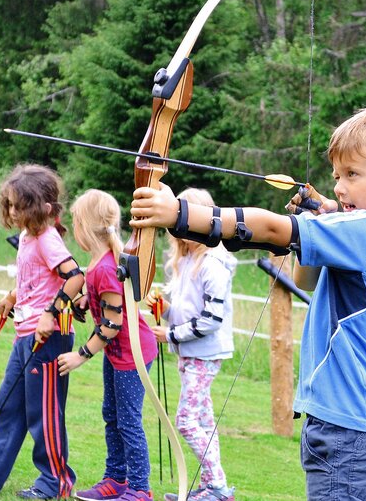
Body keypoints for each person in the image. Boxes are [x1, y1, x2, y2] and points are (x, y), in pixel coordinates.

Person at [129, 104, 366, 501]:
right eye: (336, 176)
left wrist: (180, 215)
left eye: (353, 174)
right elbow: (305, 278)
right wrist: (321, 220)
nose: (339, 188)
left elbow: (272, 229)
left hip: (349, 433)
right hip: (361, 428)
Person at [0, 164, 83, 500]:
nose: (12, 212)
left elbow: (75, 277)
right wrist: (12, 296)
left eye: (19, 206)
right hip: (25, 335)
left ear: (41, 207)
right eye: (9, 205)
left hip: (48, 338)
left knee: (44, 414)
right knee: (7, 408)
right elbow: (36, 280)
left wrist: (51, 314)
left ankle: (55, 481)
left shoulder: (48, 239)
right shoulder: (26, 237)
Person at [59, 189, 159, 501]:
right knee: (112, 415)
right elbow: (107, 302)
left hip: (132, 355)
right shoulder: (98, 264)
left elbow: (113, 324)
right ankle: (116, 480)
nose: (74, 229)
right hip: (117, 355)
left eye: (75, 223)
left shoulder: (105, 267)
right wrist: (87, 301)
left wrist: (80, 355)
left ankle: (140, 489)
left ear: (85, 227)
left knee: (128, 421)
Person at [141, 188, 236, 501]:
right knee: (204, 421)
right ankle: (211, 487)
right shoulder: (187, 259)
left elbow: (211, 320)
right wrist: (164, 310)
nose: (180, 228)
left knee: (186, 421)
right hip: (190, 352)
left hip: (205, 354)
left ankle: (218, 487)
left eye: (184, 220)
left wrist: (169, 334)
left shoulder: (212, 262)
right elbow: (187, 312)